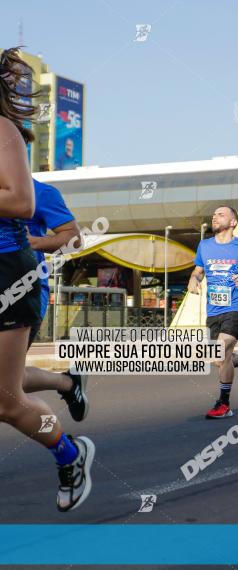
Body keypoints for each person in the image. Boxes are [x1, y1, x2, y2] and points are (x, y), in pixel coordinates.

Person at [0, 47, 94, 511]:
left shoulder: (8, 141)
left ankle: (69, 453)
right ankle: (64, 383)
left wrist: (36, 247)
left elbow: (33, 212)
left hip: (11, 280)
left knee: (5, 399)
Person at [187, 205, 238, 418]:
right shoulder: (204, 246)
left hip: (236, 306)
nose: (215, 217)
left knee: (221, 352)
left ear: (233, 222)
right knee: (217, 357)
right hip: (214, 309)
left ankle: (223, 404)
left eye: (220, 214)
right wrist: (193, 280)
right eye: (214, 215)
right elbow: (198, 271)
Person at [21, 179, 89, 420]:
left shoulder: (40, 191)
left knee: (6, 384)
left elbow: (74, 239)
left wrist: (31, 242)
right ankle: (67, 383)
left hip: (22, 292)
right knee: (9, 381)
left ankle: (67, 450)